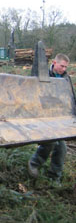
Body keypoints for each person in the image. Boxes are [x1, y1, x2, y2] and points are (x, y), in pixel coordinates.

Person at [28, 53, 71, 186]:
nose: (63, 69)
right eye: (61, 66)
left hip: (57, 117)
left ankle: (54, 177)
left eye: (65, 67)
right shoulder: (42, 75)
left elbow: (68, 98)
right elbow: (33, 95)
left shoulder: (66, 79)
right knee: (51, 141)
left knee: (62, 146)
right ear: (54, 62)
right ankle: (34, 163)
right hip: (40, 116)